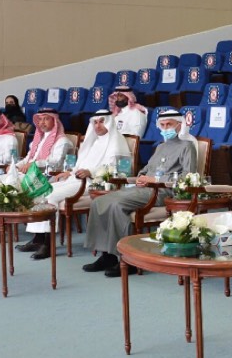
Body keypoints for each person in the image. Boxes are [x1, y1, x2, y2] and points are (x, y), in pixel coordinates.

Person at [82, 109, 197, 277]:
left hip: (163, 191)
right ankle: (107, 256)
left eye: (169, 125)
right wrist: (141, 177)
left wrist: (154, 179)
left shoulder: (187, 147)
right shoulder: (160, 147)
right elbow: (147, 169)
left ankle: (128, 260)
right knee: (99, 202)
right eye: (163, 125)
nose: (166, 128)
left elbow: (187, 177)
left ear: (179, 125)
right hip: (143, 188)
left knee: (117, 205)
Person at [15, 109, 133, 260]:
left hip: (94, 183)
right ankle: (38, 238)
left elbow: (118, 170)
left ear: (109, 123)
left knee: (50, 196)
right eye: (95, 122)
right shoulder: (93, 141)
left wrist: (90, 172)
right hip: (76, 179)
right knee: (40, 191)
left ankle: (48, 244)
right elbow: (80, 165)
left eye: (102, 122)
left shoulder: (116, 141)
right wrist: (69, 172)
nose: (97, 126)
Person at [0, 108, 75, 246]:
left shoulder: (62, 141)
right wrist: (14, 166)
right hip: (26, 174)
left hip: (43, 177)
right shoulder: (39, 139)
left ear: (55, 121)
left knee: (8, 187)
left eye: (46, 119)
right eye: (40, 119)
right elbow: (27, 158)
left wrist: (33, 164)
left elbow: (55, 163)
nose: (42, 122)